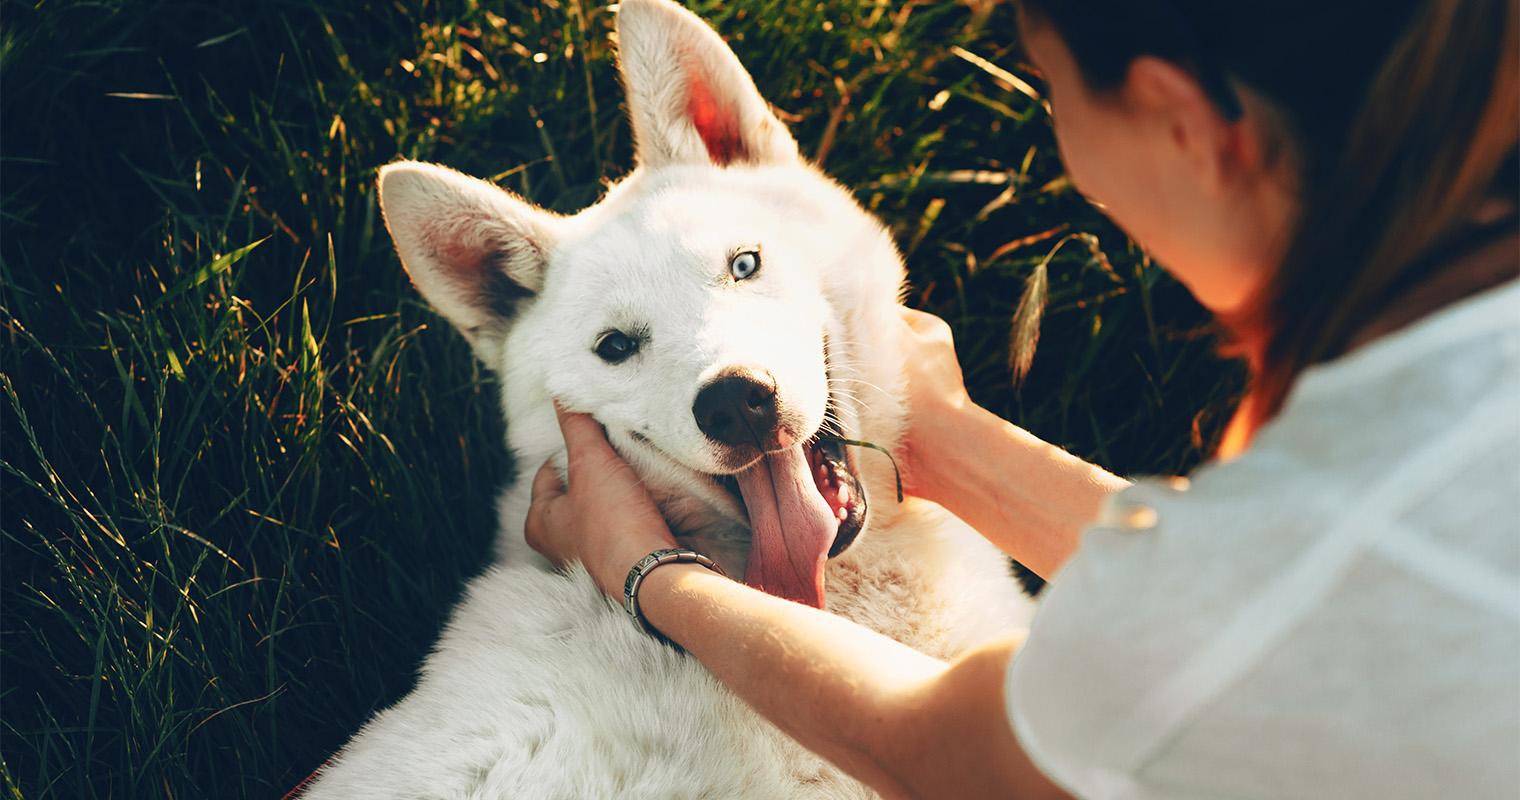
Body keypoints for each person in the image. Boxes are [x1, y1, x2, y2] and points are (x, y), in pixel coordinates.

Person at [524, 0, 1519, 796]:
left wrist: (646, 569)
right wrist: (948, 440)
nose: (1059, 134)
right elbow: (1262, 597)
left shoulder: (1338, 543)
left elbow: (943, 757)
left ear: (1177, 116)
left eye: (1049, 85)